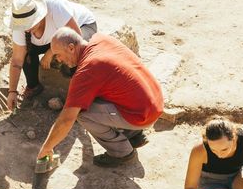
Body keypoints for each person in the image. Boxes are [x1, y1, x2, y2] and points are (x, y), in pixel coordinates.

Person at [35, 28, 163, 167]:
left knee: (83, 114)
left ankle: (121, 153)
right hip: (154, 100)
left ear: (71, 48)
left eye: (58, 55)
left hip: (143, 115)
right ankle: (134, 135)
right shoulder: (101, 39)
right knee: (96, 96)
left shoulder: (87, 70)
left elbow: (66, 119)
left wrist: (46, 148)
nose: (59, 60)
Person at [4, 0, 97, 112]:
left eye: (29, 24)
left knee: (72, 52)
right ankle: (33, 86)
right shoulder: (20, 25)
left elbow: (77, 40)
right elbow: (17, 59)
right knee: (26, 53)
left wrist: (51, 52)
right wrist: (12, 91)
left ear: (39, 16)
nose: (27, 29)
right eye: (24, 26)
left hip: (82, 26)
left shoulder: (56, 7)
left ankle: (81, 100)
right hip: (53, 38)